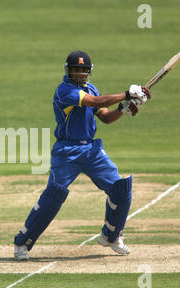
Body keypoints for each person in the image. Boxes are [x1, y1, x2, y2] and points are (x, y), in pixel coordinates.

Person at [13, 51, 150, 260]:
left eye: (83, 71)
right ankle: (22, 242)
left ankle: (111, 236)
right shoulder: (64, 91)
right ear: (68, 71)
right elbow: (94, 102)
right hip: (66, 151)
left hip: (92, 151)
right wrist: (127, 94)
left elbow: (105, 116)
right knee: (53, 196)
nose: (79, 74)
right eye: (75, 70)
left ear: (88, 72)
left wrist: (124, 109)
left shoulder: (90, 88)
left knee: (121, 190)